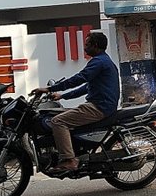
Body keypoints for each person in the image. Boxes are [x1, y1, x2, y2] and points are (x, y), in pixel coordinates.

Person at [32, 32, 119, 173]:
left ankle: (69, 160)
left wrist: (49, 89)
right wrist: (62, 96)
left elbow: (79, 78)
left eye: (87, 45)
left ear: (95, 46)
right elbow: (86, 87)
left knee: (57, 122)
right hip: (100, 105)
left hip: (99, 107)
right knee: (58, 114)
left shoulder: (98, 62)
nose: (84, 48)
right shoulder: (104, 61)